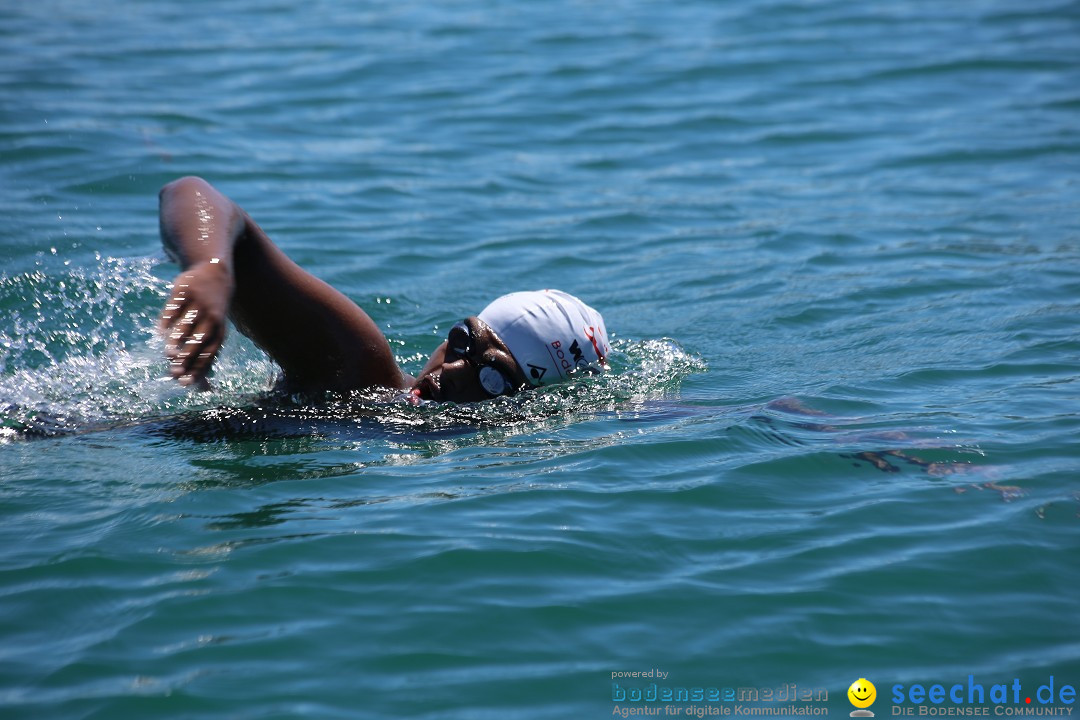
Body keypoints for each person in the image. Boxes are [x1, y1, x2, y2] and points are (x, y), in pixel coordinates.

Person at [157, 176, 610, 403]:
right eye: (462, 342)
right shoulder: (357, 370)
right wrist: (210, 270)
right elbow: (191, 192)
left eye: (492, 376)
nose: (450, 371)